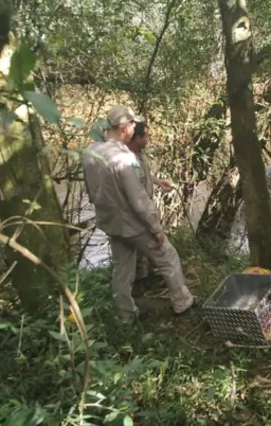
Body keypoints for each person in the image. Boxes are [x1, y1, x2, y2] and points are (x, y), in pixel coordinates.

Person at [82, 105, 196, 322]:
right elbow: (138, 199)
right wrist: (156, 228)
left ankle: (125, 314)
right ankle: (183, 303)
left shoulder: (91, 152)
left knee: (122, 267)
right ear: (125, 127)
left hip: (110, 222)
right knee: (167, 256)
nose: (135, 129)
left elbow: (91, 190)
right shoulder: (122, 158)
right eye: (133, 125)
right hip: (133, 223)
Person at [125, 121, 178, 282]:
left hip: (145, 207)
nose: (148, 139)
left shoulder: (139, 155)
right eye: (146, 136)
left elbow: (144, 175)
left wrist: (159, 182)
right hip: (137, 211)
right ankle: (138, 283)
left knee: (143, 250)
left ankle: (145, 277)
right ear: (138, 138)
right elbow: (133, 188)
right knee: (148, 245)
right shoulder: (126, 160)